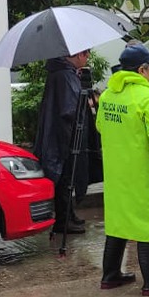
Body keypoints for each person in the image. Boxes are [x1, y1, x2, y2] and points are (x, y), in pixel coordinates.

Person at [95, 44, 149, 296]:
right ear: (142, 70)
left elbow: (101, 126)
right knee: (148, 225)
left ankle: (110, 275)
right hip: (145, 173)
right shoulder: (148, 98)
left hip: (117, 173)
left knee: (119, 223)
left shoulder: (108, 96)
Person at [33, 51, 92, 234]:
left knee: (66, 178)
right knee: (65, 177)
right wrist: (86, 101)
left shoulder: (61, 73)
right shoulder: (65, 75)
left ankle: (68, 215)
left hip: (59, 132)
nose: (87, 59)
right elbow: (70, 109)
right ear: (78, 55)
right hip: (65, 135)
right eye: (86, 54)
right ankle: (63, 221)